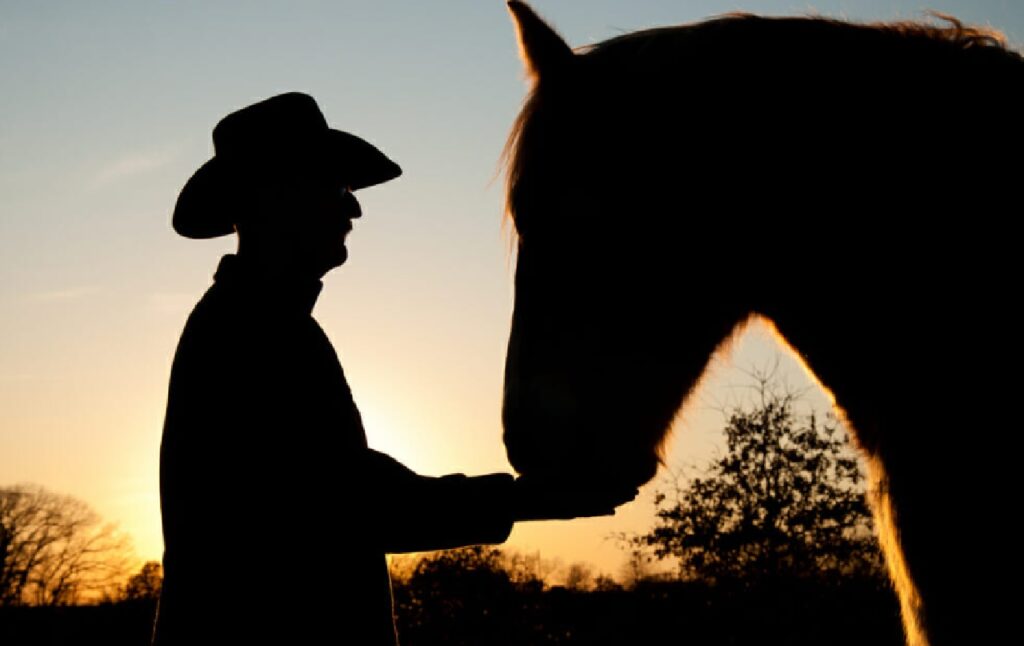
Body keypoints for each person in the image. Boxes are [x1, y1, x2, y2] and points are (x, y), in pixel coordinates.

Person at [153, 92, 635, 645]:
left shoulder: (261, 327)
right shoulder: (245, 334)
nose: (353, 209)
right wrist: (530, 499)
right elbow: (348, 504)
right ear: (279, 196)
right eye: (339, 188)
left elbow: (338, 495)